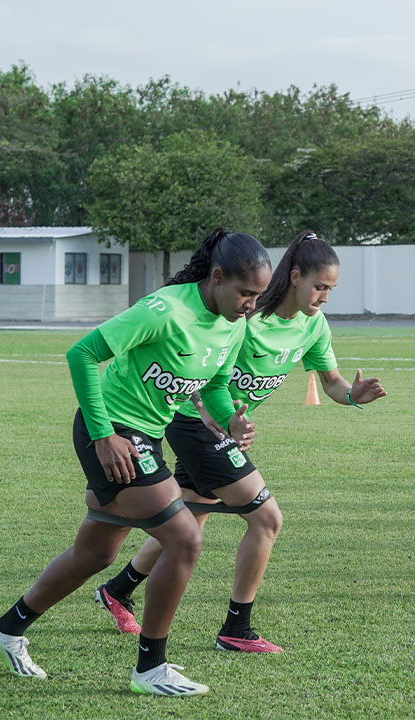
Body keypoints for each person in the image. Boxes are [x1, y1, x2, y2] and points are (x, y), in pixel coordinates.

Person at [0, 229, 271, 696]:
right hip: (111, 432)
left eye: (258, 296)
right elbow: (83, 352)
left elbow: (213, 387)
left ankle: (6, 629)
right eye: (245, 293)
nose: (251, 305)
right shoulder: (165, 310)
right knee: (184, 540)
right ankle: (150, 668)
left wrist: (229, 420)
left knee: (95, 554)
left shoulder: (233, 324)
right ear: (217, 277)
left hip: (145, 437)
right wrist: (103, 435)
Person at [95, 231, 386, 653]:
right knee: (267, 518)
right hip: (194, 420)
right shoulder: (244, 316)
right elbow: (200, 366)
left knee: (189, 516)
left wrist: (352, 397)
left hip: (223, 428)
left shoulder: (313, 326)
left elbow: (333, 381)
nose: (325, 297)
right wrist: (217, 413)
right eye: (320, 286)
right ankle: (237, 629)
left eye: (331, 289)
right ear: (296, 276)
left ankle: (119, 589)